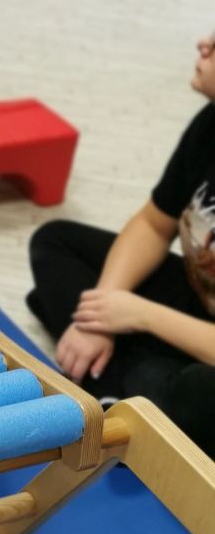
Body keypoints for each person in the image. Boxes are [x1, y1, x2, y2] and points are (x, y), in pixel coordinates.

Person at [27, 32, 215, 452]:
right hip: (197, 306)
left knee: (199, 391)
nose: (203, 44)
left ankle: (122, 378)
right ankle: (123, 388)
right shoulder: (210, 123)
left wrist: (141, 316)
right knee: (55, 242)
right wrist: (104, 312)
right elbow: (153, 224)